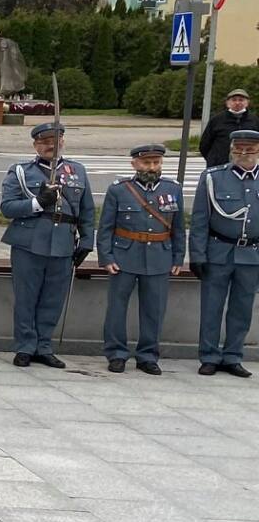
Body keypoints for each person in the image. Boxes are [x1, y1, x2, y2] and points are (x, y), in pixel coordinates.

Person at [0, 123, 94, 369]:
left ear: (63, 141)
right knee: (26, 298)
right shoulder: (21, 171)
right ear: (35, 145)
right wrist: (38, 203)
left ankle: (44, 346)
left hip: (63, 242)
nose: (51, 145)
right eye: (44, 142)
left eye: (56, 140)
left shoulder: (78, 171)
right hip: (29, 242)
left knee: (53, 298)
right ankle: (24, 347)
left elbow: (87, 210)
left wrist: (86, 240)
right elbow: (7, 207)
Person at [98, 142, 185, 375]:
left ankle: (148, 355)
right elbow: (106, 226)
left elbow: (178, 226)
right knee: (117, 308)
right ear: (134, 164)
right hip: (124, 255)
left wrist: (178, 257)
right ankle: (116, 353)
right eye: (147, 162)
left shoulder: (173, 189)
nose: (152, 167)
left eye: (156, 163)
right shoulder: (119, 189)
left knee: (154, 309)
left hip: (159, 256)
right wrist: (106, 257)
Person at [191, 128, 259, 378]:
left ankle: (233, 356)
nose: (244, 154)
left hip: (252, 254)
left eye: (250, 149)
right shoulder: (213, 177)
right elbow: (200, 220)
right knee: (211, 306)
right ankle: (208, 356)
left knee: (242, 308)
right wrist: (197, 255)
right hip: (218, 250)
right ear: (231, 150)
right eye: (239, 149)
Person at [200, 88, 256, 169]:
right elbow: (204, 144)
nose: (237, 103)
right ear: (227, 103)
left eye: (241, 100)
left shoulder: (254, 120)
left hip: (246, 167)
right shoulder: (217, 120)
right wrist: (213, 160)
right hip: (219, 167)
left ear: (247, 103)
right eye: (234, 100)